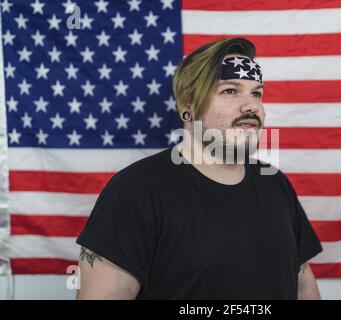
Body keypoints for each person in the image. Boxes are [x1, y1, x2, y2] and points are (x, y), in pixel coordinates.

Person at [75, 37, 323, 300]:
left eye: (256, 93)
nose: (252, 105)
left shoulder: (275, 183)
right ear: (188, 107)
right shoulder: (135, 192)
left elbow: (303, 287)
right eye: (230, 90)